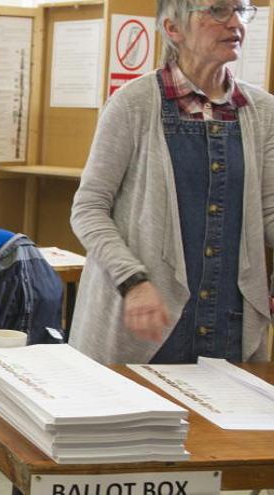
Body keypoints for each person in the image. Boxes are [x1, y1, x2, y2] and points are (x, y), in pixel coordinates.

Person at [69, 0, 273, 365]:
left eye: (242, 10)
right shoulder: (132, 105)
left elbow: (270, 213)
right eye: (218, 10)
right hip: (145, 326)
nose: (236, 23)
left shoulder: (263, 112)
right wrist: (132, 280)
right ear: (173, 29)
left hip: (229, 323)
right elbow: (88, 209)